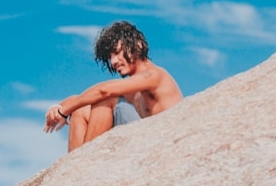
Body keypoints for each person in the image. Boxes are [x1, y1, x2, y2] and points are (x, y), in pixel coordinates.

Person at [43, 20, 183, 151]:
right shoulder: (134, 87)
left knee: (105, 100)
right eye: (110, 57)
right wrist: (58, 108)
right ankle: (72, 169)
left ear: (138, 45)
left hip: (165, 142)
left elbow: (103, 91)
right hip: (144, 137)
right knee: (80, 111)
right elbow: (83, 98)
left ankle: (86, 162)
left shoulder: (153, 75)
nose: (114, 61)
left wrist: (64, 111)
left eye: (117, 53)